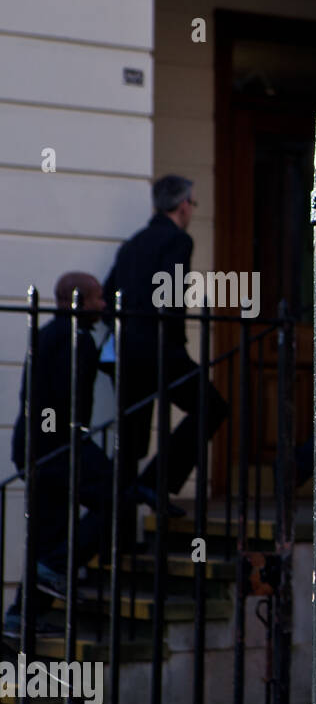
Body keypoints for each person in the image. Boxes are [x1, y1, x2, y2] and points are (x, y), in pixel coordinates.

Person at [103, 175, 228, 515]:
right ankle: (154, 482)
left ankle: (118, 534)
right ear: (183, 205)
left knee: (130, 438)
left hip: (127, 351)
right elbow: (170, 296)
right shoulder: (177, 240)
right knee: (211, 406)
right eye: (192, 203)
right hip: (159, 347)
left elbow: (106, 295)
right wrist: (175, 345)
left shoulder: (132, 243)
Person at [4, 273, 116, 637]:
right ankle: (55, 567)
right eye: (98, 299)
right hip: (55, 449)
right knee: (114, 498)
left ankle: (22, 616)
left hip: (35, 448)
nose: (103, 305)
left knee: (48, 532)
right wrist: (71, 444)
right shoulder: (74, 340)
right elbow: (64, 402)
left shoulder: (50, 333)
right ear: (79, 302)